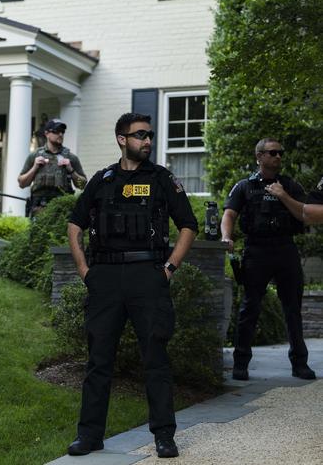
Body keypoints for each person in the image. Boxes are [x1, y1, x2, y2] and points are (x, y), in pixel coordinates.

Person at [66, 113, 197, 458]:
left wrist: (169, 268)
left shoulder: (161, 179)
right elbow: (74, 225)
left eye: (150, 135)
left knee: (155, 358)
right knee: (98, 360)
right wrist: (86, 271)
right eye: (140, 135)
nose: (148, 141)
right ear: (122, 139)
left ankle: (164, 436)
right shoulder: (102, 180)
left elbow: (188, 226)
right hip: (105, 278)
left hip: (147, 276)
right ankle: (90, 435)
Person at [220, 138, 316, 381]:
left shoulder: (290, 186)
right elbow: (229, 213)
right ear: (259, 156)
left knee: (292, 308)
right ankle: (240, 364)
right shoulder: (245, 186)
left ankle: (300, 364)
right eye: (273, 153)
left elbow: (304, 214)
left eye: (281, 153)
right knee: (249, 308)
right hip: (257, 250)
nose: (278, 157)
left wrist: (283, 195)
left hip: (285, 249)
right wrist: (226, 236)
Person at [18, 119, 87, 216]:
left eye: (62, 132)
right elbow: (22, 183)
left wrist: (71, 170)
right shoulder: (35, 156)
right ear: (47, 133)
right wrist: (34, 168)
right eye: (56, 131)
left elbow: (82, 185)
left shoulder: (71, 158)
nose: (60, 134)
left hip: (63, 211)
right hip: (39, 211)